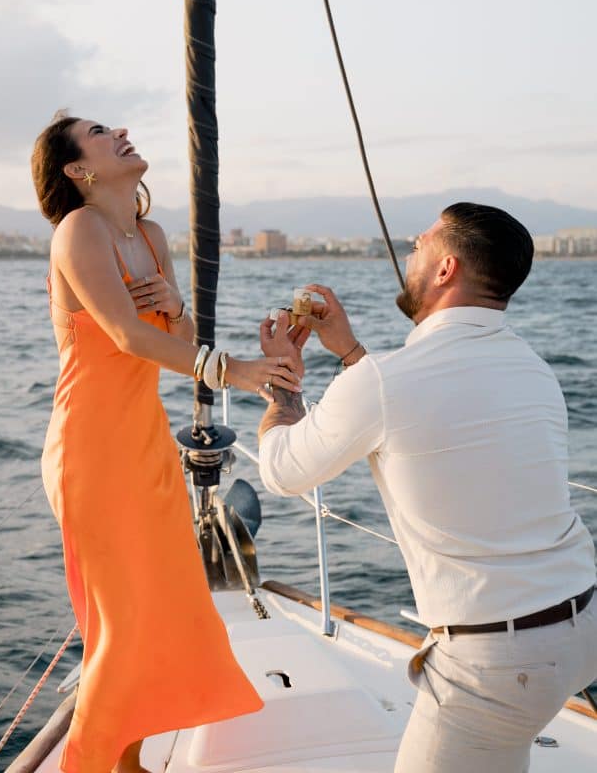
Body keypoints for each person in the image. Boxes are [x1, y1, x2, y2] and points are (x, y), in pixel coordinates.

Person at [257, 202, 597, 773]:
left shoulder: (384, 383)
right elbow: (421, 414)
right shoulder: (533, 369)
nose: (410, 251)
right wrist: (349, 353)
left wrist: (282, 385)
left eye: (420, 244)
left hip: (495, 666)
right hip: (578, 627)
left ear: (446, 270)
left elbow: (284, 470)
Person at [31, 112, 301, 773]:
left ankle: (128, 761)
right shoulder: (78, 229)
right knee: (123, 622)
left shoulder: (150, 236)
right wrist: (233, 370)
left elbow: (170, 345)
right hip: (92, 448)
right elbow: (124, 337)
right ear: (77, 168)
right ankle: (95, 765)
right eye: (98, 132)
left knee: (157, 612)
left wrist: (177, 308)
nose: (119, 131)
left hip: (144, 443)